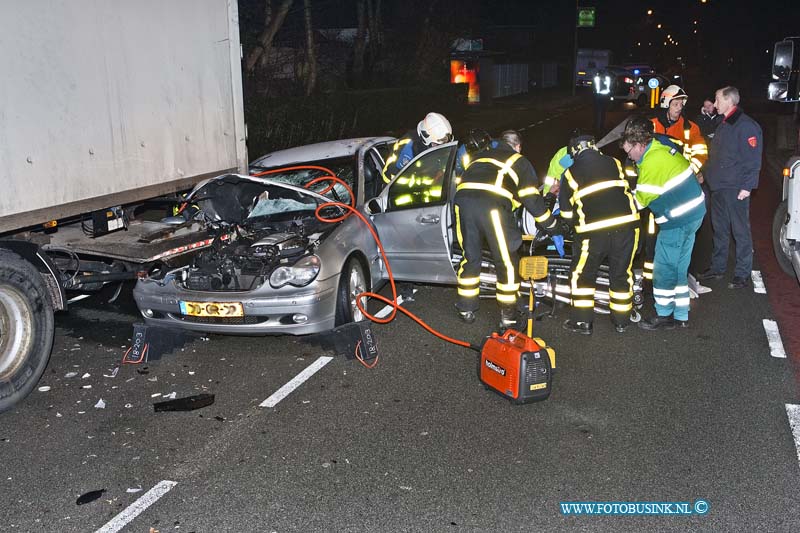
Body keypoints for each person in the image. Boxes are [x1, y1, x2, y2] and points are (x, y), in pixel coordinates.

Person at [453, 130, 563, 329]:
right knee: (506, 261)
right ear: (518, 147)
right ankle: (508, 316)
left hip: (462, 203)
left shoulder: (481, 156)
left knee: (470, 256)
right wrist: (553, 227)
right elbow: (531, 200)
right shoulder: (518, 161)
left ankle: (465, 307)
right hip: (491, 205)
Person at [621, 116, 706, 330]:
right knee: (679, 266)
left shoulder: (651, 163)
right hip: (694, 212)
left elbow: (637, 203)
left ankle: (664, 314)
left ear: (639, 145)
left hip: (677, 220)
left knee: (664, 268)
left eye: (630, 151)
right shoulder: (657, 147)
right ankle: (681, 314)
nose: (629, 157)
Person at [558, 133, 640, 335]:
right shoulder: (614, 162)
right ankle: (622, 321)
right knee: (621, 274)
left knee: (583, 276)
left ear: (575, 152)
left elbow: (567, 213)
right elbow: (628, 187)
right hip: (627, 227)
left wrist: (568, 227)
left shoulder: (570, 173)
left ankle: (582, 322)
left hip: (593, 232)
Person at [697, 86, 763, 289]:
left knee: (740, 231)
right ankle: (718, 268)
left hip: (735, 188)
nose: (715, 104)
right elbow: (713, 147)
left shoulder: (746, 126)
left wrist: (747, 187)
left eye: (717, 100)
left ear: (729, 101)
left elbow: (753, 160)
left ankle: (742, 274)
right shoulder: (723, 123)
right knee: (720, 229)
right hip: (718, 186)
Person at [643, 85, 709, 285]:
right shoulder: (650, 125)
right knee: (651, 234)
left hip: (679, 189)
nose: (679, 107)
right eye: (676, 103)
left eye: (681, 104)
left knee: (678, 231)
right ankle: (649, 279)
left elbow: (700, 152)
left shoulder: (690, 128)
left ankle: (677, 275)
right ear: (665, 104)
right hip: (656, 189)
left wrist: (692, 172)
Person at [382, 112, 452, 183]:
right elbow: (394, 177)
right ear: (426, 137)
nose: (438, 147)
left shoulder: (427, 145)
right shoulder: (409, 146)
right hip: (392, 187)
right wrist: (430, 181)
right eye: (436, 144)